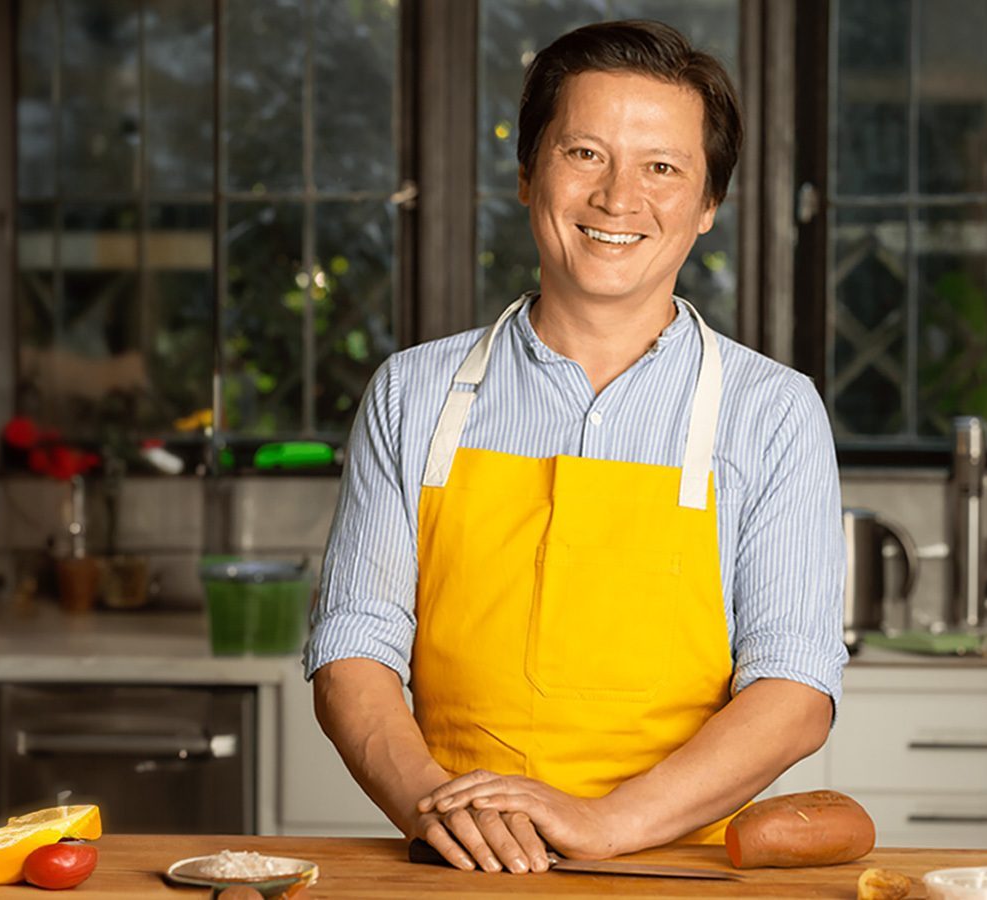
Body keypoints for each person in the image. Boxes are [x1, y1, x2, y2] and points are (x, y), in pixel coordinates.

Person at [303, 19, 845, 875]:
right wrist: (436, 810)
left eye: (662, 167)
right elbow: (353, 647)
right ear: (528, 175)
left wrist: (607, 825)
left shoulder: (773, 413)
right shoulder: (412, 395)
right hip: (455, 870)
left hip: (676, 876)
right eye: (585, 153)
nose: (618, 197)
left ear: (708, 207)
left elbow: (795, 693)